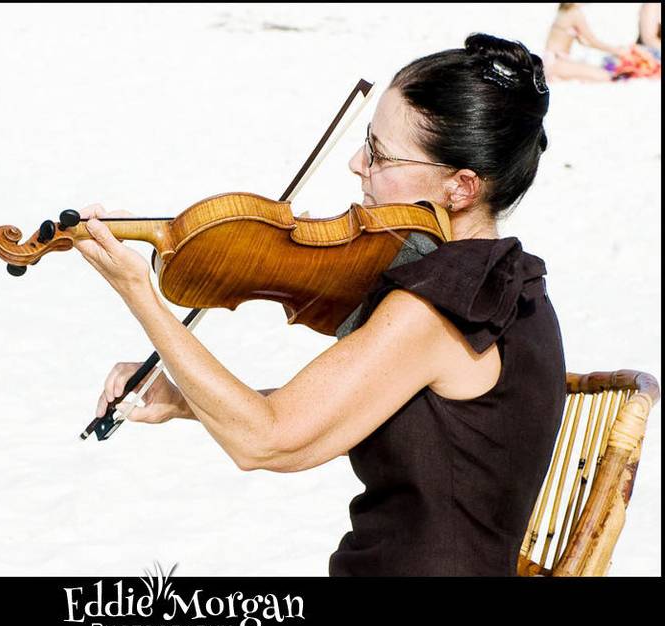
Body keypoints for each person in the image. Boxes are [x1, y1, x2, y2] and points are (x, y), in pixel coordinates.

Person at [73, 33, 566, 576]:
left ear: (460, 187)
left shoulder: (436, 309)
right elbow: (329, 410)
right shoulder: (504, 282)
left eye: (379, 154)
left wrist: (140, 296)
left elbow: (266, 441)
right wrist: (181, 399)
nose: (357, 163)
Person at [543, 3, 631, 81]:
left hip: (552, 60)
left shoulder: (563, 11)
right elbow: (592, 41)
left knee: (594, 74)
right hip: (555, 61)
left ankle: (560, 77)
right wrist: (616, 51)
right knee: (605, 76)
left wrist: (613, 50)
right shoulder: (575, 13)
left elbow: (585, 42)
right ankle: (558, 76)